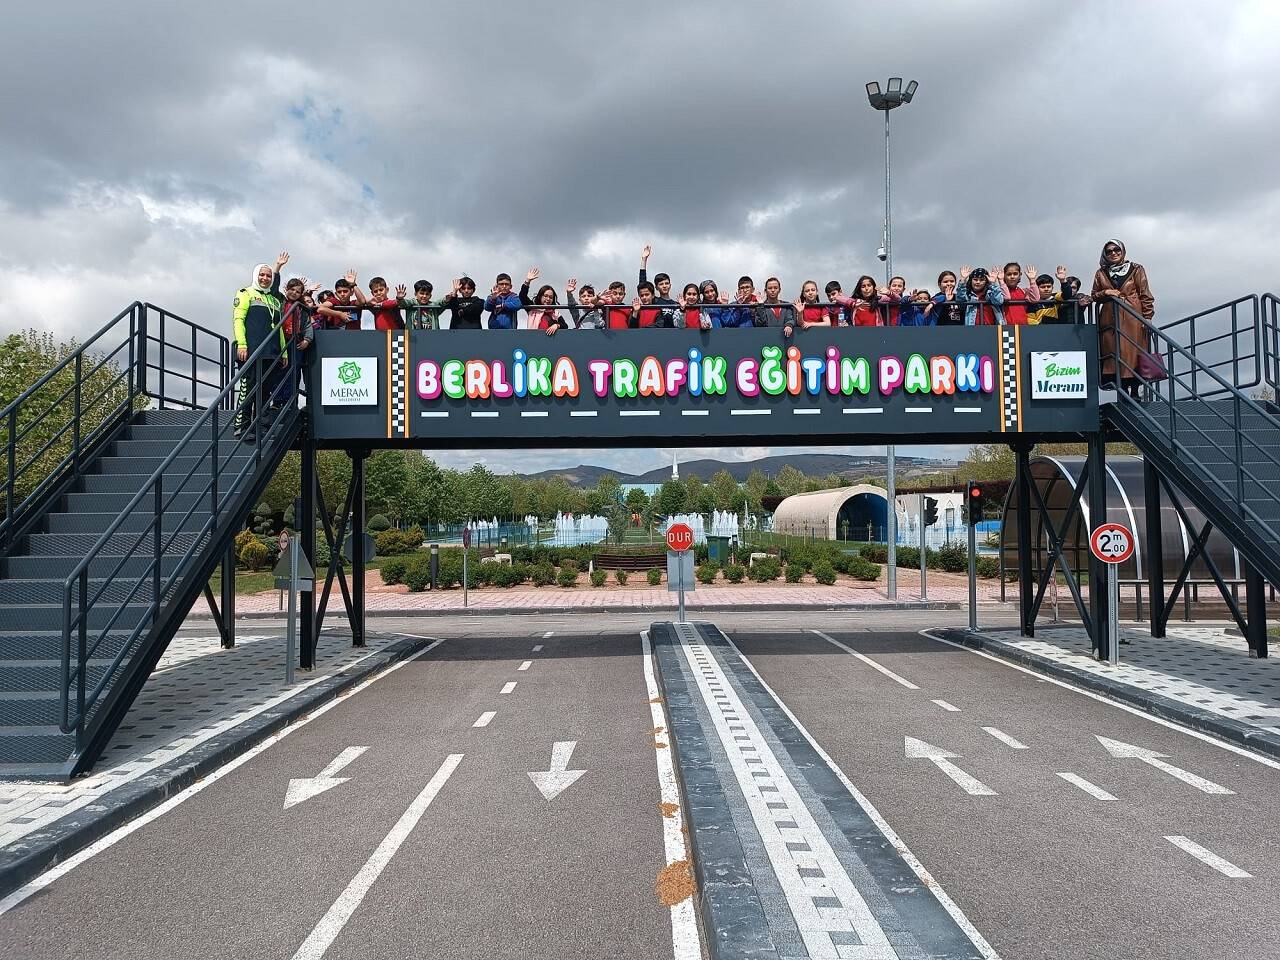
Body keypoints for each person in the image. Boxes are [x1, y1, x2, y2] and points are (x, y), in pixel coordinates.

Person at [231, 252, 288, 440]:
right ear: (256, 276)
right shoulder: (245, 293)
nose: (265, 278)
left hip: (271, 352)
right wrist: (242, 343)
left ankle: (259, 426)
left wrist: (284, 351)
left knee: (265, 390)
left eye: (269, 276)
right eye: (262, 275)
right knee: (248, 388)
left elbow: (278, 328)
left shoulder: (273, 299)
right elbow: (238, 320)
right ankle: (242, 426)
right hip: (250, 350)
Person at [1092, 239, 1155, 397]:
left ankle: (1134, 391)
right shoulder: (1101, 273)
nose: (1113, 253)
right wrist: (1105, 293)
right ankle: (1122, 390)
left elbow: (1145, 294)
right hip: (1109, 320)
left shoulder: (1136, 269)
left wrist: (1147, 317)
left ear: (1123, 251)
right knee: (1114, 354)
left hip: (1132, 317)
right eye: (1109, 251)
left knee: (1134, 353)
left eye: (1117, 250)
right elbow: (1094, 295)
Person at [274, 273, 315, 406]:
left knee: (293, 372)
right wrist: (278, 268)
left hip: (295, 342)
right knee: (278, 371)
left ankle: (289, 402)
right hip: (280, 341)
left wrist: (307, 340)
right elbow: (274, 287)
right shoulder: (280, 301)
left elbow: (308, 325)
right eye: (292, 289)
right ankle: (277, 401)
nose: (294, 293)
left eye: (298, 291)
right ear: (286, 289)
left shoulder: (302, 308)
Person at [639, 245, 683, 327]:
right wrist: (644, 260)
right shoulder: (655, 301)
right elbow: (643, 285)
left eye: (666, 283)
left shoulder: (676, 304)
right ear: (656, 287)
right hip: (659, 335)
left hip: (673, 335)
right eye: (661, 284)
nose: (664, 286)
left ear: (670, 285)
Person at [519, 268, 569, 334]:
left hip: (550, 341)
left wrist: (556, 325)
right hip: (534, 339)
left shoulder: (555, 313)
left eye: (551, 297)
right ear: (540, 296)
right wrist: (527, 281)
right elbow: (522, 296)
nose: (548, 299)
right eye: (545, 296)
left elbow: (565, 326)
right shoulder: (533, 309)